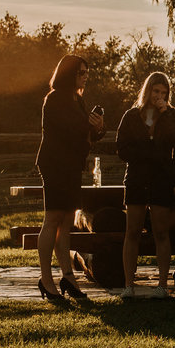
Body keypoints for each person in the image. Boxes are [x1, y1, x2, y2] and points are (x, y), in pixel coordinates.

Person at [35, 54, 105, 302]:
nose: (86, 77)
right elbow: (70, 129)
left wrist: (98, 127)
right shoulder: (54, 99)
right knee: (52, 218)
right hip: (55, 165)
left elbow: (84, 133)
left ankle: (67, 276)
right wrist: (89, 126)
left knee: (66, 222)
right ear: (69, 74)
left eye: (87, 72)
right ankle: (45, 278)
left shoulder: (77, 99)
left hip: (72, 166)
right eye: (82, 72)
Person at [115, 72, 175, 299]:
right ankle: (129, 285)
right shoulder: (131, 116)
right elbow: (122, 148)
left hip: (161, 180)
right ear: (148, 91)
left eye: (164, 93)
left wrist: (166, 114)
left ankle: (161, 285)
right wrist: (147, 152)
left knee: (161, 232)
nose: (159, 96)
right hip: (137, 178)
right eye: (156, 91)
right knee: (133, 231)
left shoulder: (172, 115)